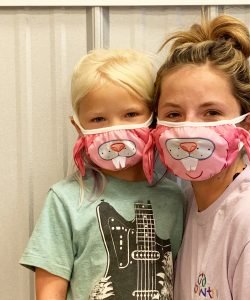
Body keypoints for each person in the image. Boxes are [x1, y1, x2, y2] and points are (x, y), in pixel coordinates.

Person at [149, 15, 250, 299]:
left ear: (245, 125)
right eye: (173, 114)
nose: (189, 129)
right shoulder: (190, 203)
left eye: (212, 113)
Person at [20, 48, 184, 300]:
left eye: (130, 114)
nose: (115, 131)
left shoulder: (176, 197)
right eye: (98, 119)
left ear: (153, 118)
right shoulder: (65, 200)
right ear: (78, 126)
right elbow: (49, 290)